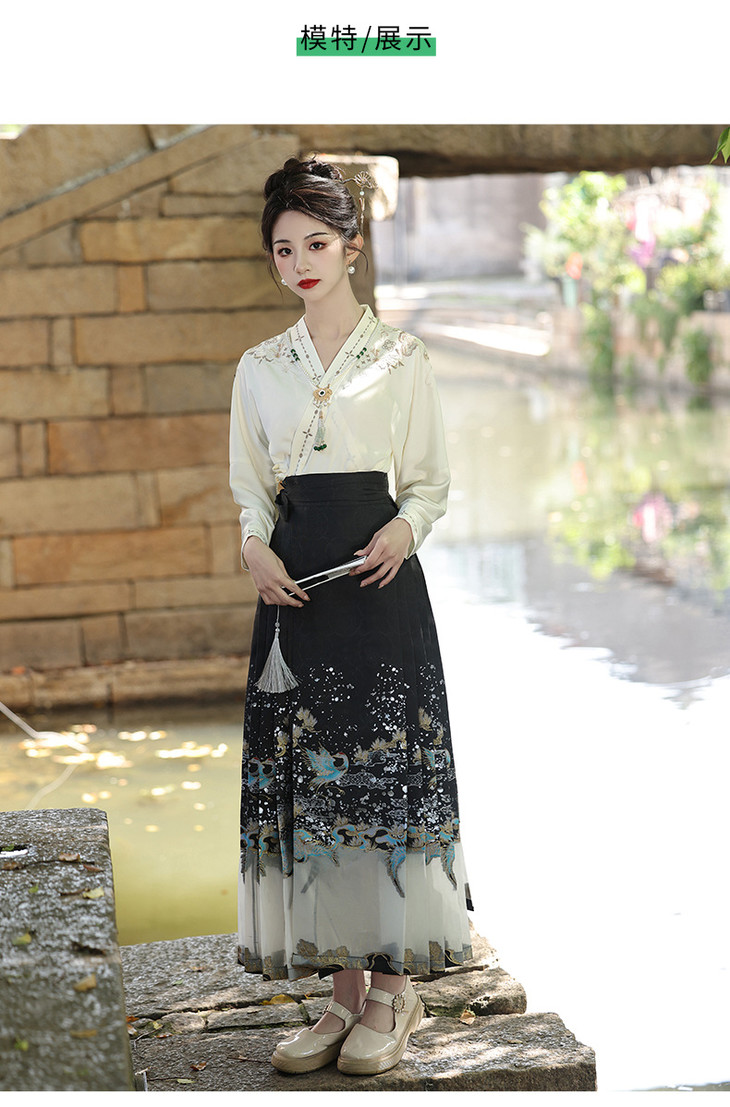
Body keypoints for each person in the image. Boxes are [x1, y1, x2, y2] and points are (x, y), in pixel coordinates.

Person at [229, 156, 473, 1077]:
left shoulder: (403, 359)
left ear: (353, 249)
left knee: (379, 781)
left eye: (316, 244)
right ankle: (340, 997)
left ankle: (393, 992)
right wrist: (252, 548)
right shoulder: (259, 368)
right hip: (294, 604)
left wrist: (405, 530)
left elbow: (430, 484)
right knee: (316, 787)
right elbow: (251, 491)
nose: (299, 262)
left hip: (379, 596)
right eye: (283, 249)